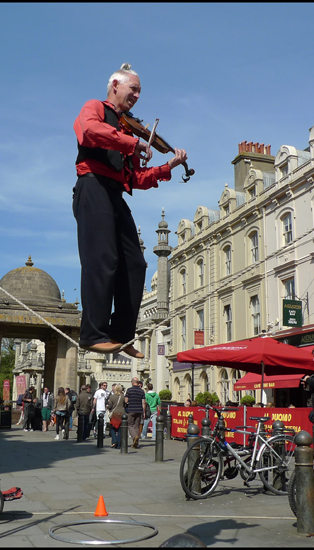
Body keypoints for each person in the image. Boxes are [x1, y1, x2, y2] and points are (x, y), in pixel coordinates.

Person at [73, 63, 188, 358]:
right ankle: (93, 333)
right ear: (115, 84)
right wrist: (131, 142)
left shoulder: (127, 129)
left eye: (139, 91)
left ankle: (121, 333)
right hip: (92, 185)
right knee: (102, 258)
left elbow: (135, 178)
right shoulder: (95, 108)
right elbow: (88, 131)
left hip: (114, 193)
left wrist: (167, 167)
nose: (137, 95)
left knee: (135, 262)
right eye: (132, 89)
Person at [124, 377, 146, 448]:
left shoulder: (129, 390)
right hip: (139, 410)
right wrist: (144, 412)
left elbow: (126, 400)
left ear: (132, 382)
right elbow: (144, 403)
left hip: (131, 409)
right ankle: (136, 442)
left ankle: (134, 436)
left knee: (130, 424)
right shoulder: (142, 391)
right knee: (137, 425)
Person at [106, 384, 126, 448]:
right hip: (122, 413)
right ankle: (119, 444)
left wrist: (107, 406)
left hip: (114, 414)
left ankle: (114, 440)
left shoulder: (112, 397)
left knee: (112, 428)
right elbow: (125, 405)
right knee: (120, 429)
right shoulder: (123, 396)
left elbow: (110, 406)